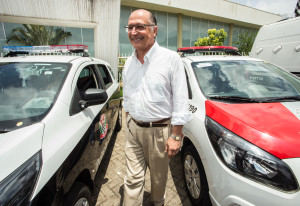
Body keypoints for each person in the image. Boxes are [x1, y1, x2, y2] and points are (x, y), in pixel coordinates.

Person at [122, 9, 192, 206]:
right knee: (132, 179)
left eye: (140, 27)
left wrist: (176, 135)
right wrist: (127, 123)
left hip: (160, 132)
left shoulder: (171, 60)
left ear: (154, 30)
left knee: (159, 180)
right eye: (130, 27)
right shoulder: (129, 63)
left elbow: (180, 99)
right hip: (133, 128)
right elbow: (128, 95)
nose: (134, 32)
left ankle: (157, 202)